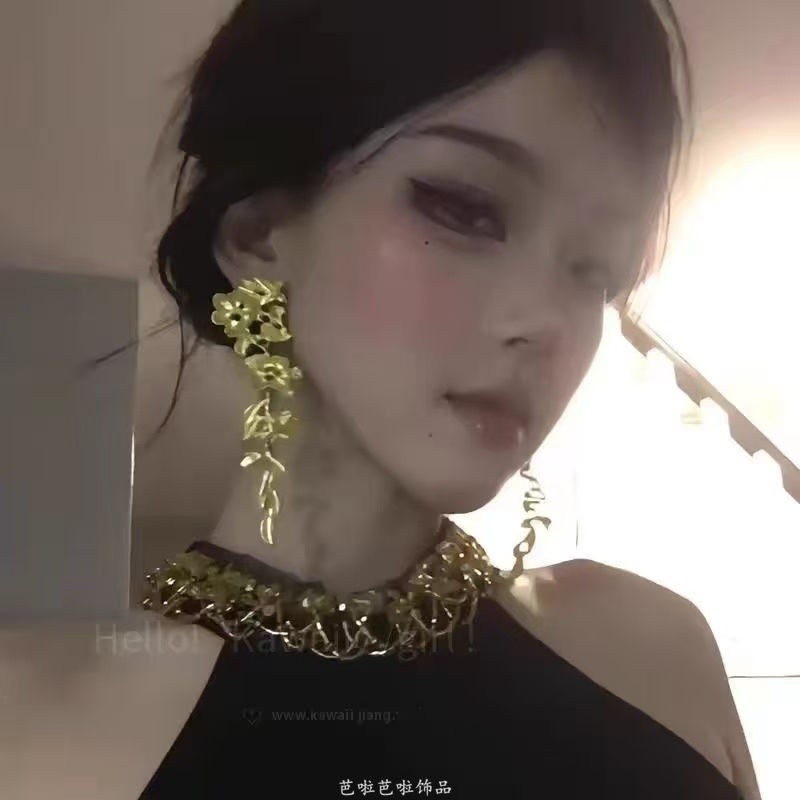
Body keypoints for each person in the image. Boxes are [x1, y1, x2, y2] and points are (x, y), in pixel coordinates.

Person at [1, 0, 762, 798]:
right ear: (260, 234)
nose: (546, 321)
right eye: (465, 208)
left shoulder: (656, 652)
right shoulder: (35, 734)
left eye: (597, 269)